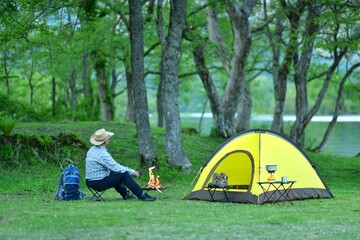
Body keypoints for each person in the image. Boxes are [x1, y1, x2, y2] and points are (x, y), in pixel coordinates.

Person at [85, 128, 156, 202]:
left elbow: (113, 168)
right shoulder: (103, 154)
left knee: (117, 173)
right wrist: (133, 172)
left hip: (89, 181)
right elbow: (116, 167)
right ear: (105, 141)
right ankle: (142, 195)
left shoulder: (92, 149)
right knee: (124, 175)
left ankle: (126, 195)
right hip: (98, 183)